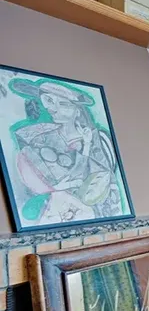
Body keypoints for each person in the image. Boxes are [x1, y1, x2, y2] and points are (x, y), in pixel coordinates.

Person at [9, 79, 124, 225]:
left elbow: (104, 180)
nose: (53, 109)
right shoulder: (37, 139)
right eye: (49, 101)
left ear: (78, 111)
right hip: (58, 213)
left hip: (95, 214)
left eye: (63, 104)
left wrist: (87, 144)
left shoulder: (99, 139)